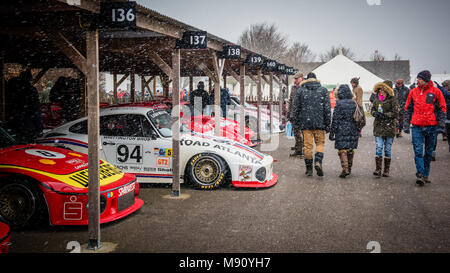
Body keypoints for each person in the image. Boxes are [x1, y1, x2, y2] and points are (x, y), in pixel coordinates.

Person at [403, 70, 447, 186]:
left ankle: (426, 174)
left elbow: (442, 109)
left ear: (426, 80)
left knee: (428, 153)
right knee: (418, 151)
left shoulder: (436, 92)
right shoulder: (413, 92)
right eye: (417, 78)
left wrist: (441, 126)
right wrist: (406, 124)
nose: (418, 80)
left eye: (420, 79)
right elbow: (407, 109)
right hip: (417, 126)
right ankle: (420, 174)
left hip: (432, 127)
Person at [292, 72, 331, 177]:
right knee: (320, 144)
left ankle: (309, 169)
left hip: (306, 123)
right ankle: (318, 161)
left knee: (308, 146)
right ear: (316, 79)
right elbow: (327, 108)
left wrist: (297, 121)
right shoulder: (323, 90)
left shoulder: (301, 90)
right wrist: (328, 123)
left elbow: (295, 108)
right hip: (320, 123)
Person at [4, 69, 44, 143]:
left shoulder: (8, 88)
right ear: (29, 79)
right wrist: (40, 127)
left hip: (9, 124)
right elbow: (35, 109)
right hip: (27, 124)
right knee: (26, 147)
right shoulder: (30, 90)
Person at [329, 84, 360, 178]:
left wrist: (332, 132)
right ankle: (349, 168)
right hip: (353, 128)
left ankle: (345, 168)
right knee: (350, 148)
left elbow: (335, 119)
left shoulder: (339, 104)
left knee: (342, 149)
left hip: (341, 129)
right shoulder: (354, 103)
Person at [370, 82, 399, 177]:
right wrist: (374, 113)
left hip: (389, 127)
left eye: (382, 89)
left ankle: (386, 170)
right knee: (378, 147)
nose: (380, 91)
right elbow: (372, 109)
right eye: (379, 90)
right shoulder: (376, 98)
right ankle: (378, 169)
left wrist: (385, 115)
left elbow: (395, 112)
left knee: (387, 149)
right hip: (378, 126)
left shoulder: (393, 99)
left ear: (386, 90)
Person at [288, 72, 305, 157]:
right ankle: (298, 150)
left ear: (301, 78)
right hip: (294, 114)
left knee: (304, 133)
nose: (295, 80)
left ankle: (303, 150)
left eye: (296, 79)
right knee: (296, 133)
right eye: (294, 79)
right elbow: (291, 101)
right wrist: (289, 113)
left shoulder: (305, 87)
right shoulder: (294, 88)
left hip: (302, 114)